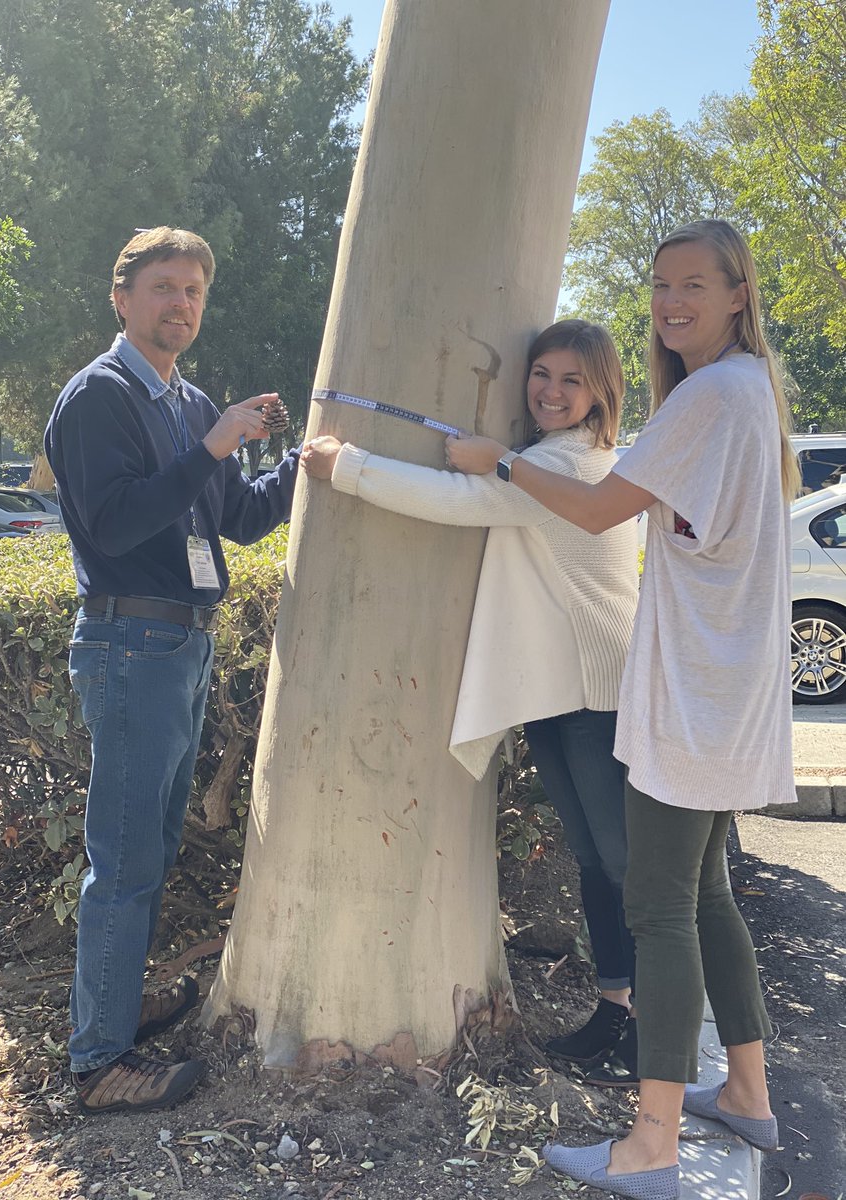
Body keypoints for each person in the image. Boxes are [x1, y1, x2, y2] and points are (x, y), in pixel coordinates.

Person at [446, 220, 798, 1200]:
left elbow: (599, 508)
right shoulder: (748, 390)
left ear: (738, 294)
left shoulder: (709, 393)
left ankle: (651, 1142)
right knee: (708, 899)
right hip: (726, 689)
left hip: (695, 695)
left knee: (657, 910)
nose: (670, 299)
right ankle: (750, 1098)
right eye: (659, 284)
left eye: (694, 283)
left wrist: (498, 459)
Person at [301, 319, 640, 1079]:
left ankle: (654, 1022)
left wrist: (348, 465)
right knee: (593, 860)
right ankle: (617, 1009)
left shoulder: (572, 466)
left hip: (601, 692)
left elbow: (457, 499)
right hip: (560, 692)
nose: (551, 391)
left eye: (571, 380)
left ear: (601, 393)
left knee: (624, 864)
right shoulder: (543, 461)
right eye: (542, 374)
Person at [45, 227, 299, 1115]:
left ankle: (113, 1010)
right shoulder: (99, 397)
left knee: (147, 850)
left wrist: (305, 463)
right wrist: (217, 443)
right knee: (121, 861)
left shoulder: (190, 404)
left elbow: (241, 519)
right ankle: (98, 1064)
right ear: (122, 298)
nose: (180, 303)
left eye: (193, 289)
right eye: (163, 287)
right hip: (128, 649)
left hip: (184, 645)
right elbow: (114, 525)